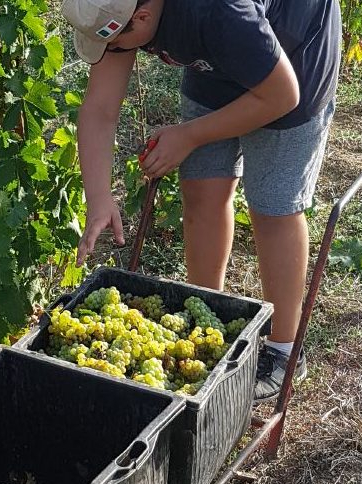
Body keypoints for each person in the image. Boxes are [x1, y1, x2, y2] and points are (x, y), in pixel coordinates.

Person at [63, 0, 341, 402]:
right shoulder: (126, 10)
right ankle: (209, 323)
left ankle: (282, 352)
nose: (113, 53)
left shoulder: (216, 11)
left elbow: (282, 94)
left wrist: (190, 135)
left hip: (291, 61)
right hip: (219, 57)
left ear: (141, 20)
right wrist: (99, 196)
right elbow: (101, 107)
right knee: (202, 191)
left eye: (117, 44)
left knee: (272, 207)